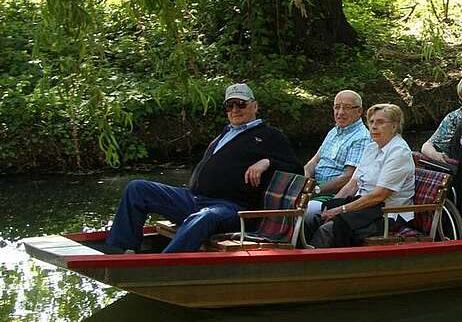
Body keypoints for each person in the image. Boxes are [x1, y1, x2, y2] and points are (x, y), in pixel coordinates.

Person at [102, 83, 300, 253]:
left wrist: (267, 162)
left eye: (241, 104)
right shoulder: (225, 134)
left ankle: (165, 263)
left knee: (204, 217)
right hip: (193, 199)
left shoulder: (269, 136)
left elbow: (296, 169)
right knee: (137, 188)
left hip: (230, 208)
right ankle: (120, 250)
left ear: (255, 105)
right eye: (229, 105)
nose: (235, 109)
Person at [310, 104, 417, 248]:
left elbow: (379, 196)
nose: (373, 127)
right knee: (312, 216)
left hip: (388, 213)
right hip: (365, 206)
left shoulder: (399, 153)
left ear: (394, 126)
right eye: (371, 122)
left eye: (380, 122)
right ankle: (297, 256)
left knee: (328, 230)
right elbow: (353, 184)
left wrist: (340, 210)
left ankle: (323, 266)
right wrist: (333, 205)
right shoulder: (371, 148)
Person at [303, 90, 370, 195]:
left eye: (347, 107)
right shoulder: (334, 131)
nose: (340, 112)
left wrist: (314, 191)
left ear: (359, 111)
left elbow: (348, 177)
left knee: (290, 209)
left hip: (333, 195)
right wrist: (304, 181)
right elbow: (314, 161)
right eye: (337, 107)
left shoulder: (362, 138)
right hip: (313, 187)